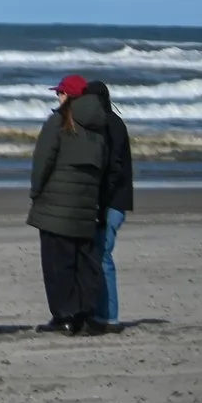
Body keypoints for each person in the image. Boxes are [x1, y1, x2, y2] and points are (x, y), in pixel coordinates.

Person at [28, 74, 112, 336]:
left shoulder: (58, 123)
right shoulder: (99, 128)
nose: (58, 97)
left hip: (55, 207)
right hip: (86, 207)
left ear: (70, 96)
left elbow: (42, 162)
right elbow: (105, 169)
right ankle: (83, 315)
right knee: (83, 264)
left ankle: (64, 316)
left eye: (61, 93)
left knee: (57, 266)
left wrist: (36, 192)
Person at [84, 80, 134, 326]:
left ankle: (108, 316)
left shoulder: (110, 124)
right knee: (101, 255)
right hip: (114, 201)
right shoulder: (112, 122)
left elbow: (113, 169)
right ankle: (102, 312)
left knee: (103, 256)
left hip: (112, 202)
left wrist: (101, 205)